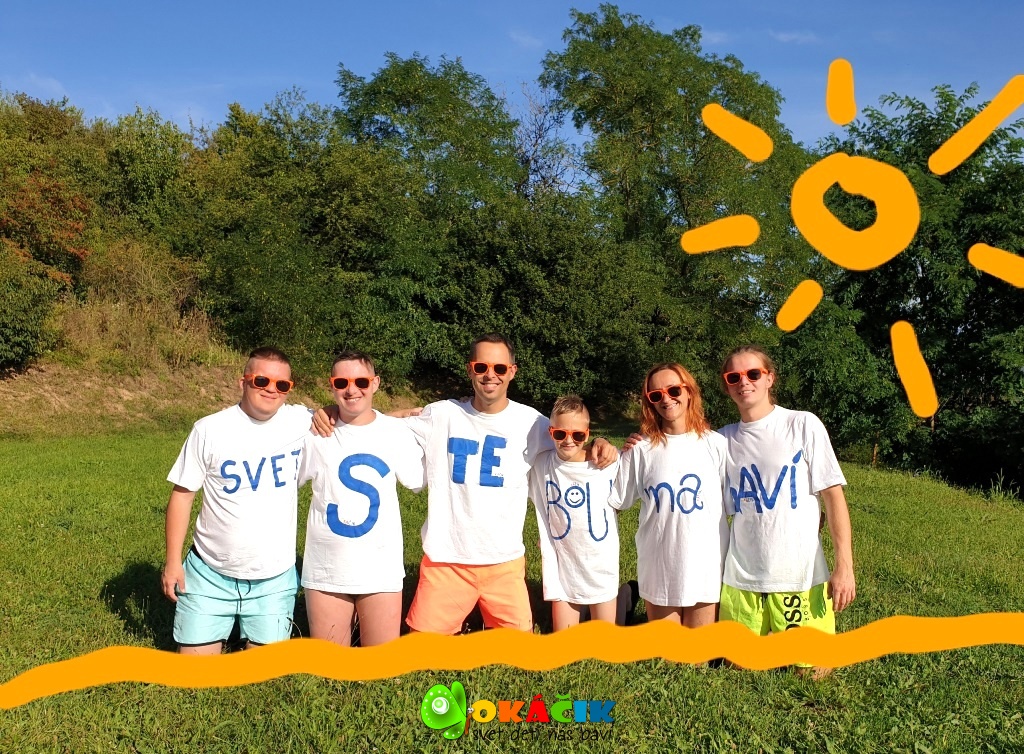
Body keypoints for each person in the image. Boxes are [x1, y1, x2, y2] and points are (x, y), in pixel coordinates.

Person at [402, 333, 618, 634]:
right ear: (470, 369)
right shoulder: (441, 415)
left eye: (500, 368)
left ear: (512, 371)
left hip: (504, 562)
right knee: (423, 651)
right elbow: (380, 427)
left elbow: (570, 438)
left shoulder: (532, 423)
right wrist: (345, 414)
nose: (490, 375)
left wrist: (600, 442)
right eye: (481, 367)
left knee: (518, 652)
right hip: (447, 559)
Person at [161, 347, 311, 654]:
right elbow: (182, 496)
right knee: (194, 675)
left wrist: (398, 417)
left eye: (282, 384)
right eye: (261, 380)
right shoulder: (209, 429)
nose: (272, 389)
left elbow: (353, 419)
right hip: (210, 573)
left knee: (262, 675)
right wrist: (173, 561)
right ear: (243, 382)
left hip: (273, 580)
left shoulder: (300, 421)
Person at [716, 345, 855, 677]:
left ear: (769, 379)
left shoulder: (802, 424)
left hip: (799, 575)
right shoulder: (721, 440)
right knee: (738, 669)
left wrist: (845, 566)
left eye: (753, 374)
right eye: (734, 377)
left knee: (811, 672)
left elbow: (833, 496)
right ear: (727, 386)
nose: (744, 382)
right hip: (742, 578)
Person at [298, 351, 425, 647]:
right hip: (326, 568)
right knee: (331, 668)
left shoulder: (396, 432)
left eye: (361, 382)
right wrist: (319, 412)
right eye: (341, 382)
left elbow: (418, 477)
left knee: (380, 668)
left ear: (375, 383)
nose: (351, 389)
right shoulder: (315, 432)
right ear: (331, 385)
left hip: (380, 567)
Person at [612, 363, 728, 628]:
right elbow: (616, 501)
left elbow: (739, 501)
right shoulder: (640, 449)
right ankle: (627, 600)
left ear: (689, 392)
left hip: (705, 565)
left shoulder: (717, 444)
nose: (666, 399)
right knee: (669, 651)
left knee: (699, 652)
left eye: (674, 390)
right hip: (660, 566)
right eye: (656, 395)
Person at [529, 395, 621, 630]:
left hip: (600, 564)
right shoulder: (541, 465)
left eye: (577, 435)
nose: (568, 440)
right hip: (562, 567)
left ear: (587, 435)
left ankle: (627, 598)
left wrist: (604, 442)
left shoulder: (606, 465)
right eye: (560, 434)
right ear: (551, 432)